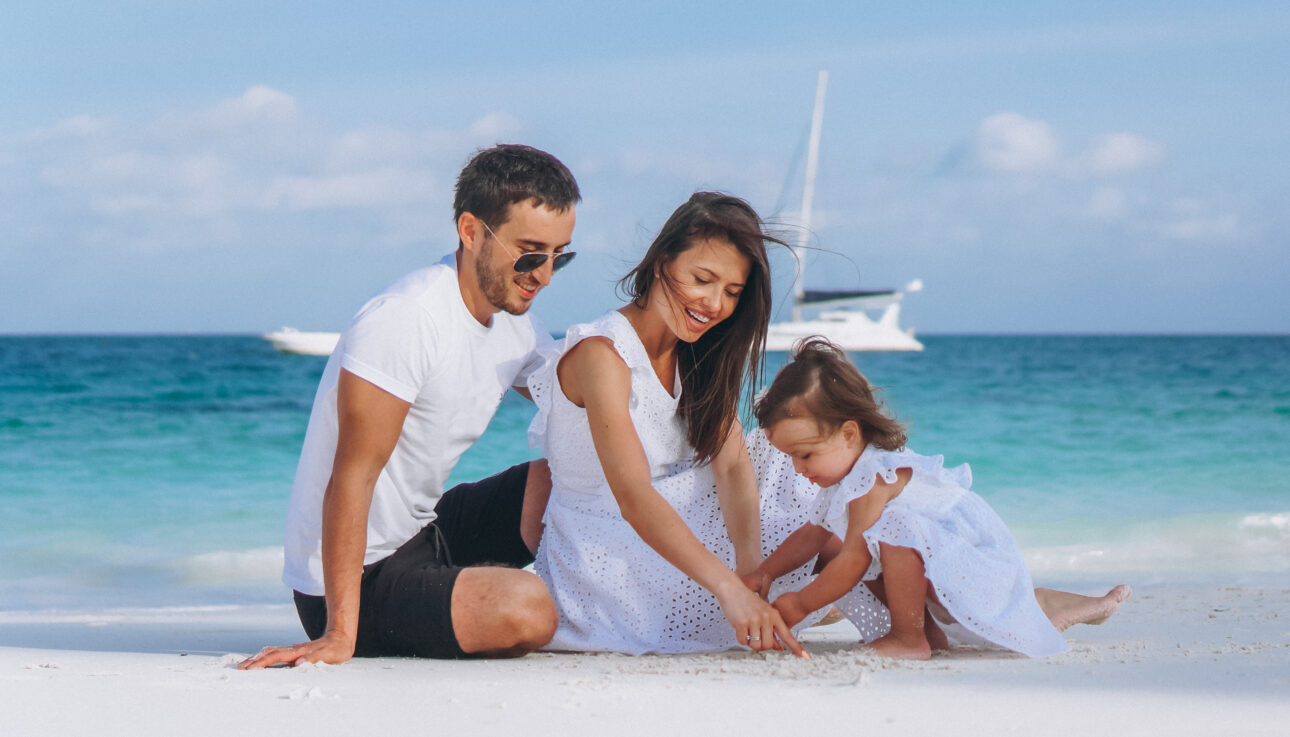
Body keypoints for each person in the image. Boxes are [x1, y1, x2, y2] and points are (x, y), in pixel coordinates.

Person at [239, 144, 580, 668]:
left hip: (425, 532)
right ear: (471, 232)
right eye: (531, 253)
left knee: (564, 475)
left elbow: (583, 400)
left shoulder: (515, 320)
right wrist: (338, 634)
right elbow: (351, 477)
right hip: (356, 578)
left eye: (561, 256)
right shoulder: (405, 319)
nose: (545, 275)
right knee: (527, 610)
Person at [527, 192, 820, 656]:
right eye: (702, 279)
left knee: (827, 477)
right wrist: (729, 589)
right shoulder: (601, 355)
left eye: (732, 292)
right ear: (662, 261)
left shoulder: (698, 354)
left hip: (686, 519)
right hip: (612, 550)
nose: (714, 304)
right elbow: (634, 497)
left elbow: (731, 467)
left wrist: (751, 570)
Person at [746, 337, 1132, 660]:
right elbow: (812, 534)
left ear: (849, 434)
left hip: (980, 569)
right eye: (791, 457)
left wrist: (799, 604)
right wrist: (767, 570)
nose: (797, 468)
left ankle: (909, 638)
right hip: (954, 575)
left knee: (876, 538)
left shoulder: (874, 477)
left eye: (805, 454)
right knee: (848, 542)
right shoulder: (840, 484)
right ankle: (932, 633)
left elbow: (852, 561)